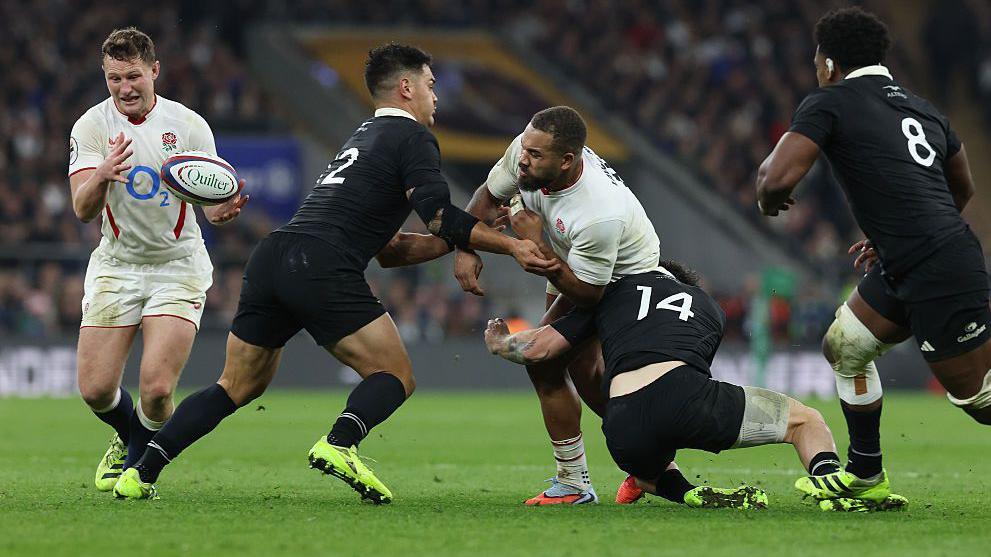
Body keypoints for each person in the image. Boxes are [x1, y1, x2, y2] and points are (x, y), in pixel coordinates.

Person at [113, 43, 554, 502]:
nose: (435, 96)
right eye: (430, 84)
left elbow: (392, 250)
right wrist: (510, 245)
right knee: (396, 375)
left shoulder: (362, 137)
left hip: (275, 256)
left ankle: (140, 471)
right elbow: (438, 215)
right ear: (406, 88)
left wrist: (461, 241)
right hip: (320, 264)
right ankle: (340, 443)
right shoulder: (414, 138)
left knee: (235, 386)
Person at [378, 106, 702, 506]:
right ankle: (648, 464)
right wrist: (465, 247)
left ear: (566, 161)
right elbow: (487, 196)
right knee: (580, 369)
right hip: (569, 261)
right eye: (525, 149)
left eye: (535, 155)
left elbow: (587, 295)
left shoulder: (599, 214)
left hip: (619, 281)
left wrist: (535, 245)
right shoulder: (526, 151)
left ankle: (579, 481)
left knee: (543, 361)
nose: (523, 160)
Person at [757, 7, 991, 509]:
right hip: (912, 257)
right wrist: (899, 233)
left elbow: (774, 178)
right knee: (845, 346)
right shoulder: (924, 109)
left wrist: (769, 199)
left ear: (829, 64)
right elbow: (963, 187)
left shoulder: (829, 101)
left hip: (936, 267)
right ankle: (866, 473)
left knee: (980, 399)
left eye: (818, 61)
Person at [483, 260, 897, 510]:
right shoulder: (710, 307)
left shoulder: (611, 294)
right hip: (683, 394)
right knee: (805, 421)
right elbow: (692, 368)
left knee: (646, 465)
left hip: (621, 423)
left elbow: (540, 348)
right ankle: (831, 482)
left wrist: (502, 343)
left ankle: (684, 492)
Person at [68, 27, 247, 492]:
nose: (124, 88)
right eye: (114, 79)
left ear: (154, 71)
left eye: (133, 76)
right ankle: (128, 438)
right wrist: (103, 174)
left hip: (177, 265)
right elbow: (82, 209)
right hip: (117, 264)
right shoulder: (91, 126)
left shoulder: (188, 126)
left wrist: (220, 212)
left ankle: (136, 470)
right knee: (95, 389)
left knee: (158, 389)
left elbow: (209, 202)